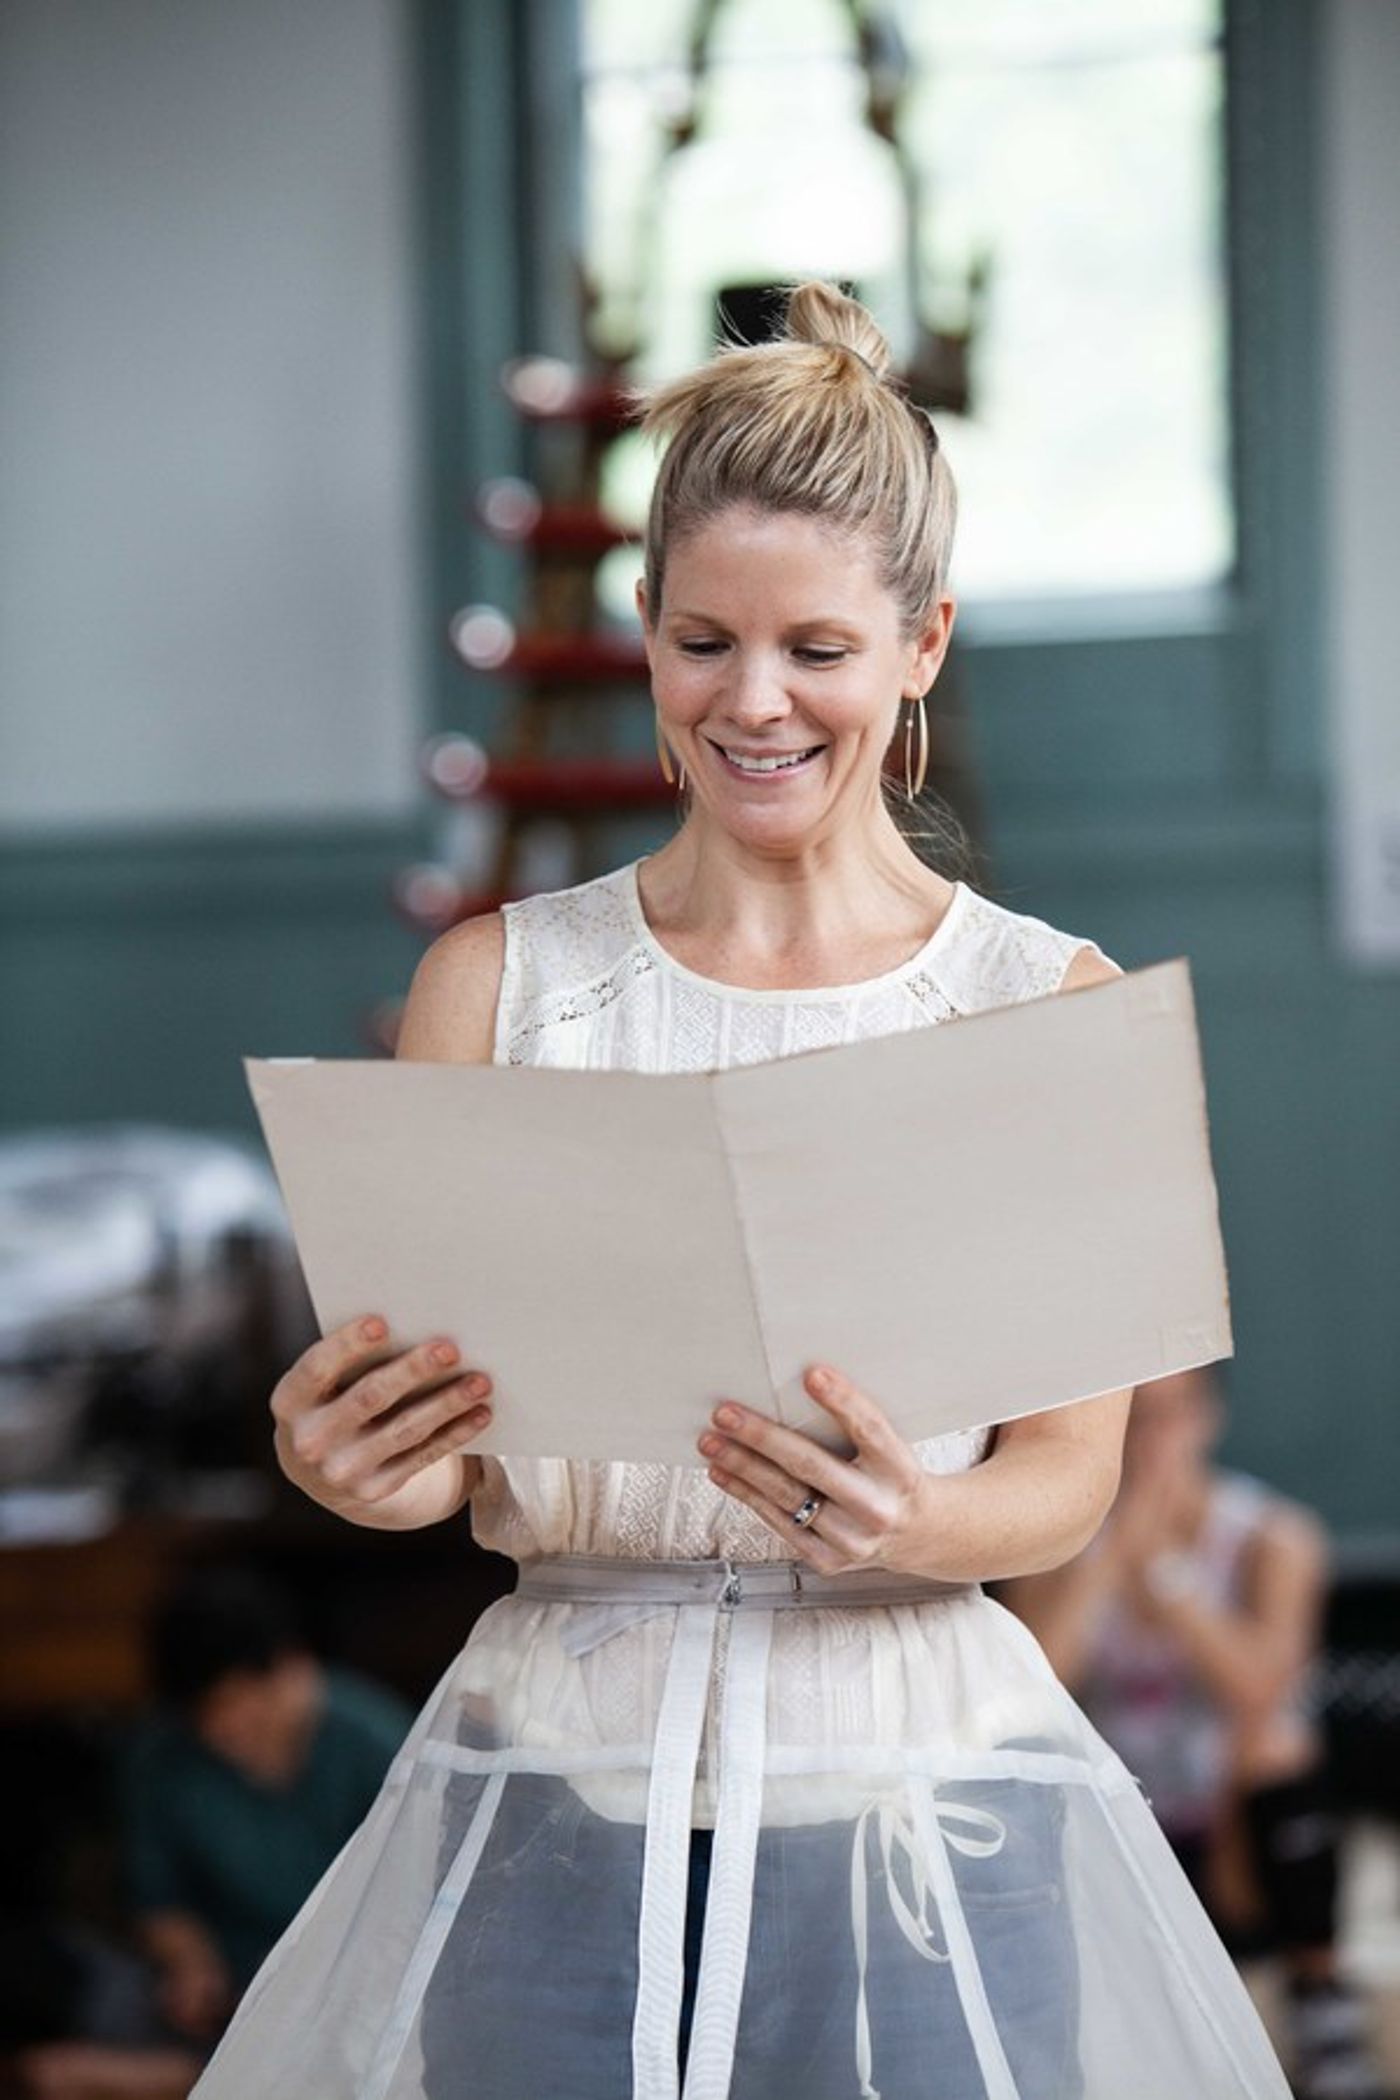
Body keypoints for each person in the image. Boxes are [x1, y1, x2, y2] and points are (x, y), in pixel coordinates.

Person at [189, 283, 1292, 2099]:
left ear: (923, 642)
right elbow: (444, 1455)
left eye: (819, 650)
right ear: (642, 628)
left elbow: (1070, 1486)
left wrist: (902, 1527)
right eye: (703, 641)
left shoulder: (1049, 1005)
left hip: (927, 1802)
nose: (753, 701)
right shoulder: (500, 986)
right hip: (557, 1804)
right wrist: (349, 1471)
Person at [1001, 1368, 1387, 2100]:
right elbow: (1031, 1682)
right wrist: (1111, 1553)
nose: (1152, 1442)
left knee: (1276, 1743)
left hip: (1235, 1828)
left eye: (1170, 1418)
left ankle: (1320, 2001)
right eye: (1134, 1421)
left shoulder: (1272, 1536)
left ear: (1206, 1419)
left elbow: (1262, 1690)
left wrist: (1164, 1570)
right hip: (1120, 1826)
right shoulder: (1052, 1547)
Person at [124, 1568, 411, 2045]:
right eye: (202, 1715)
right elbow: (159, 1894)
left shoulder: (379, 1744)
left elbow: (414, 1901)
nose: (220, 1730)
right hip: (234, 1987)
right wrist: (191, 1965)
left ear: (289, 1668)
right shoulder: (163, 1757)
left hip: (358, 1985)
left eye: (235, 1703)